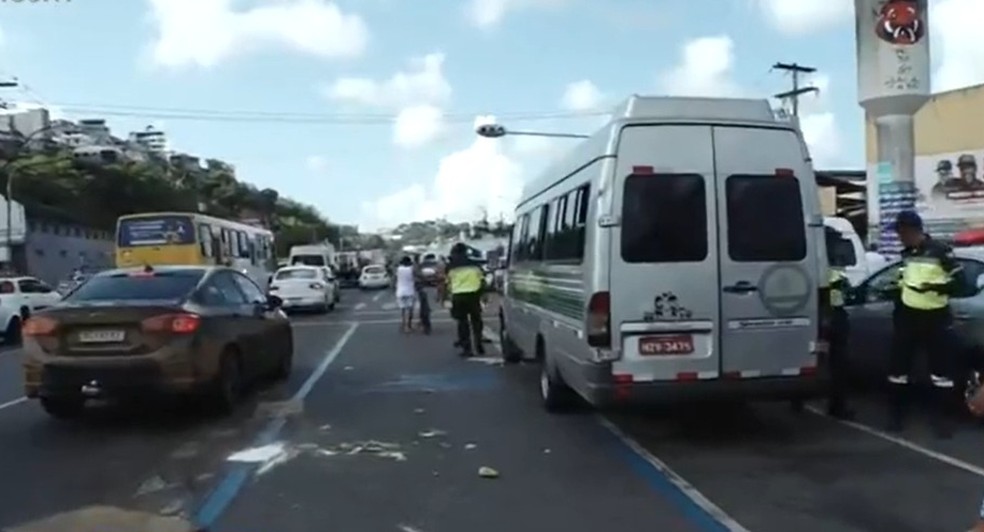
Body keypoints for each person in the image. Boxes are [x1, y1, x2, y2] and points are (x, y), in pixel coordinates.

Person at [885, 210, 962, 438]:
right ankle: (896, 418)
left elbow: (960, 283)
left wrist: (933, 287)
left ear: (912, 230)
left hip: (935, 319)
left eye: (901, 232)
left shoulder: (940, 251)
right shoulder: (907, 254)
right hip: (908, 319)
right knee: (899, 371)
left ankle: (943, 422)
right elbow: (903, 281)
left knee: (941, 374)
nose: (899, 236)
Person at [825, 227, 855, 420]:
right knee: (838, 363)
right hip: (834, 314)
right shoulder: (835, 262)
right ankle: (838, 405)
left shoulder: (819, 260)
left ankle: (799, 402)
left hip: (825, 313)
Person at [445, 243, 485, 357]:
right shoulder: (474, 264)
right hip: (474, 294)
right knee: (476, 320)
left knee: (462, 323)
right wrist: (483, 294)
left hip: (458, 295)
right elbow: (482, 280)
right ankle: (478, 342)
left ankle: (467, 348)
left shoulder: (451, 266)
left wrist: (446, 296)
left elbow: (447, 283)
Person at [394, 256, 417, 333]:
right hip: (409, 291)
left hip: (400, 291)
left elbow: (395, 278)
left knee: (403, 310)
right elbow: (415, 277)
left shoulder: (398, 269)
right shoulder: (411, 269)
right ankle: (408, 326)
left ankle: (404, 324)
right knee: (410, 310)